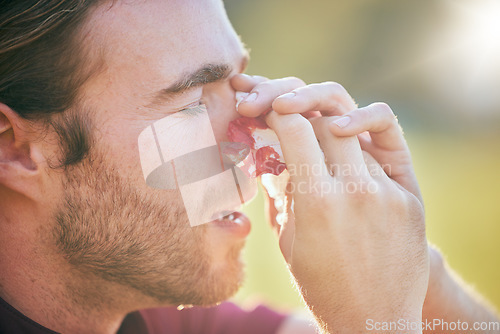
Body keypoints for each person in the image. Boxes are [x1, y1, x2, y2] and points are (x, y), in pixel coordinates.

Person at [0, 1, 498, 333]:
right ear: (16, 151)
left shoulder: (161, 319)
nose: (255, 129)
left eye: (240, 85)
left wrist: (413, 264)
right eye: (193, 101)